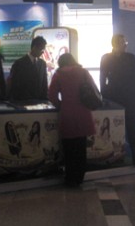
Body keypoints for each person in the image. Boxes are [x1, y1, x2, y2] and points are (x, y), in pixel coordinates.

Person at [48, 53, 96, 187]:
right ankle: (80, 177)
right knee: (81, 148)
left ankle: (70, 178)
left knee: (69, 149)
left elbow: (51, 95)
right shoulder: (84, 72)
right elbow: (93, 89)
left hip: (67, 114)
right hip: (83, 113)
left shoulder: (58, 74)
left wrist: (60, 105)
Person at [99, 34, 135, 170]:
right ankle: (112, 158)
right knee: (112, 127)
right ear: (115, 44)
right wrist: (104, 95)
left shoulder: (130, 57)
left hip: (129, 97)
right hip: (113, 96)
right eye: (122, 42)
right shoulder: (106, 57)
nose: (125, 44)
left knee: (132, 128)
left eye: (125, 42)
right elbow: (102, 77)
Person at [9, 36, 48, 102]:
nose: (43, 52)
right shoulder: (19, 63)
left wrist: (44, 100)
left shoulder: (42, 64)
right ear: (34, 47)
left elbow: (44, 84)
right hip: (23, 101)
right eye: (41, 49)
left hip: (39, 102)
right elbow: (15, 85)